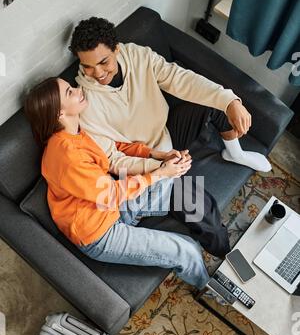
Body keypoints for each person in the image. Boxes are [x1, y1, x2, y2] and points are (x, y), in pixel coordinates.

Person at [68, 16, 271, 257]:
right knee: (201, 211)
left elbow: (180, 79)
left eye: (104, 62)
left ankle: (235, 152)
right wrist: (161, 167)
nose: (97, 73)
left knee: (215, 102)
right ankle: (226, 255)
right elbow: (113, 160)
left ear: (117, 49)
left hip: (165, 134)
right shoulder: (84, 104)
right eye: (87, 66)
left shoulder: (137, 55)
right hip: (143, 166)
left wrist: (230, 101)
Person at [24, 77, 210, 293]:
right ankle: (208, 289)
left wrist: (158, 155)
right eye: (69, 92)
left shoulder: (75, 132)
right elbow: (109, 194)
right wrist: (159, 173)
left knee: (169, 170)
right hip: (99, 234)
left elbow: (114, 147)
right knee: (187, 250)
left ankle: (142, 219)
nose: (78, 90)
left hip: (113, 210)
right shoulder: (65, 154)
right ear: (59, 113)